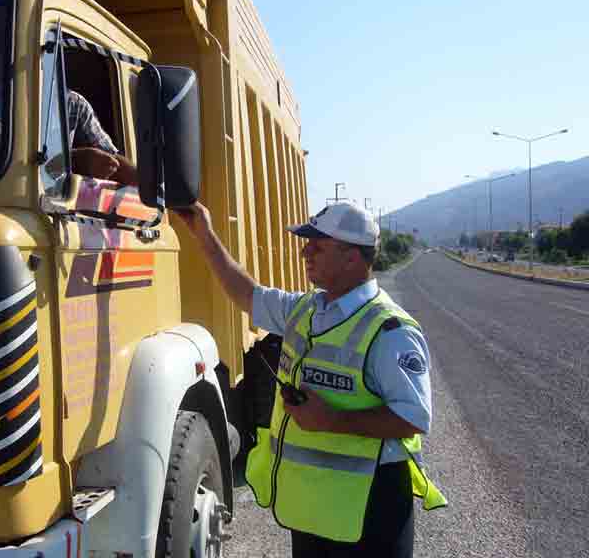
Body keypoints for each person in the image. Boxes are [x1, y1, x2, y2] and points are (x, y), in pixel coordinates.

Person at [175, 201, 446, 558]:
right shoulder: (305, 309)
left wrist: (331, 420)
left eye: (318, 246)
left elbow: (413, 418)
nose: (306, 252)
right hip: (314, 513)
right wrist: (204, 235)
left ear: (351, 258)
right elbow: (245, 292)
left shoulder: (390, 330)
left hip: (369, 513)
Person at [0, 82, 136, 186]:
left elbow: (111, 159)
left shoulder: (74, 102)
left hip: (54, 203)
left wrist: (147, 185)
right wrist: (74, 160)